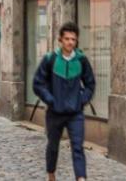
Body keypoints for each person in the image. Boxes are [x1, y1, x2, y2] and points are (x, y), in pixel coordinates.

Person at [33, 21, 96, 181]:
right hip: (55, 113)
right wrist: (51, 100)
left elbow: (90, 84)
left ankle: (81, 178)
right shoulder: (50, 59)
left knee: (77, 148)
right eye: (67, 39)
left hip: (76, 113)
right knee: (53, 146)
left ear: (76, 41)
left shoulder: (81, 60)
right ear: (60, 40)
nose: (70, 42)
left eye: (73, 39)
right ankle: (51, 174)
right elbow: (37, 84)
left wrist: (82, 100)